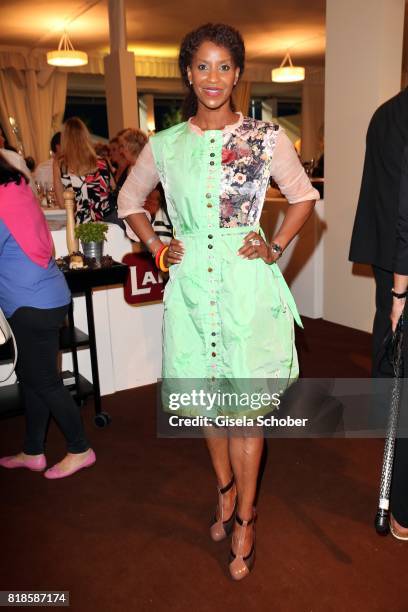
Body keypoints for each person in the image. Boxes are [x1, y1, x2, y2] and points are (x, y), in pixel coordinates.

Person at [118, 23, 318, 580]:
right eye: (202, 66)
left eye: (224, 67)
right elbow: (129, 200)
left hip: (246, 290)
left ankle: (247, 519)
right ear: (188, 73)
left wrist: (275, 245)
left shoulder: (264, 138)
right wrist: (157, 248)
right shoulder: (165, 144)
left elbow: (303, 198)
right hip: (190, 292)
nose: (213, 78)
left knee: (247, 415)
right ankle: (225, 492)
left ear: (237, 75)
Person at [0, 153, 95, 479]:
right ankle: (33, 450)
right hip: (45, 297)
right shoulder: (16, 190)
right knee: (31, 378)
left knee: (44, 381)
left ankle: (80, 449)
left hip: (31, 304)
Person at [349, 88, 408, 540]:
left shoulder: (386, 111)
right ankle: (403, 508)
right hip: (403, 275)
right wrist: (400, 295)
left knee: (398, 385)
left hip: (390, 267)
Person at [53, 117, 114, 224]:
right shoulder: (103, 162)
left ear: (64, 139)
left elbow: (62, 204)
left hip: (80, 225)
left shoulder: (60, 164)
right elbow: (112, 188)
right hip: (107, 223)